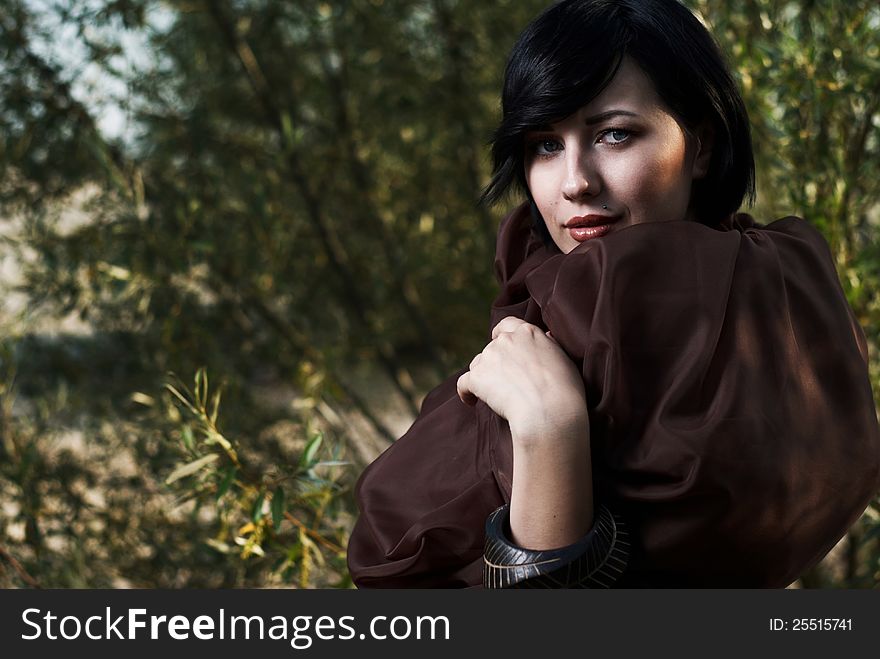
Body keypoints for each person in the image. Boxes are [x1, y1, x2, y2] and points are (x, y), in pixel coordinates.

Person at [347, 0, 880, 588]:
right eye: (546, 145)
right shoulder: (782, 282)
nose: (575, 181)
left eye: (614, 134)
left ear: (699, 146)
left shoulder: (766, 304)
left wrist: (549, 433)